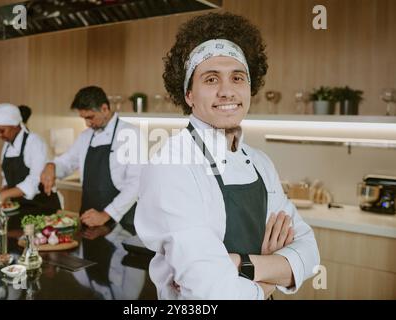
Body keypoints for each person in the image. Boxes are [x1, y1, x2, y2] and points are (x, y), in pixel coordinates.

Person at [134, 12, 320, 300]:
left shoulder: (260, 163)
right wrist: (269, 273)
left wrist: (237, 263)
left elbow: (309, 252)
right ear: (189, 95)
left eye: (237, 77)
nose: (227, 91)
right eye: (210, 79)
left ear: (250, 86)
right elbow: (210, 291)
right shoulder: (171, 165)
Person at [41, 86, 141, 231]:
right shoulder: (85, 136)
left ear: (105, 109)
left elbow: (136, 184)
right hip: (89, 220)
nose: (87, 123)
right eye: (84, 118)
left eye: (90, 117)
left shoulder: (130, 134)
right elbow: (67, 162)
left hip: (121, 224)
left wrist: (106, 214)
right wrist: (51, 166)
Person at [0, 103, 61, 213]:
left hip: (42, 207)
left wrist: (4, 195)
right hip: (19, 207)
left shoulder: (34, 142)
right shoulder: (7, 145)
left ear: (14, 125)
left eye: (2, 130)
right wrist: (1, 194)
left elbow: (34, 181)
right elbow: (7, 177)